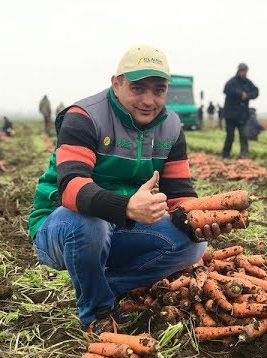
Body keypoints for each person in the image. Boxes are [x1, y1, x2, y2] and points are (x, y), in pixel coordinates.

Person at [28, 44, 234, 336]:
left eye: (159, 90)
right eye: (138, 88)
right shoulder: (83, 116)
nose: (149, 100)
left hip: (120, 224)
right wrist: (126, 207)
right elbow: (72, 189)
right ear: (117, 83)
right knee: (89, 222)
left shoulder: (171, 126)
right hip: (60, 226)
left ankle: (105, 285)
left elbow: (180, 193)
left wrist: (196, 220)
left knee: (194, 245)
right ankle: (96, 311)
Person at [222, 63, 259, 158]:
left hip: (242, 115)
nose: (244, 73)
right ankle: (226, 154)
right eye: (242, 71)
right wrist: (240, 94)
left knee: (244, 135)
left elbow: (256, 91)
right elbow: (226, 90)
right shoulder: (232, 82)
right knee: (230, 136)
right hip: (230, 114)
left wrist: (248, 95)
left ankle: (244, 154)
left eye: (245, 71)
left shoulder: (248, 82)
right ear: (238, 71)